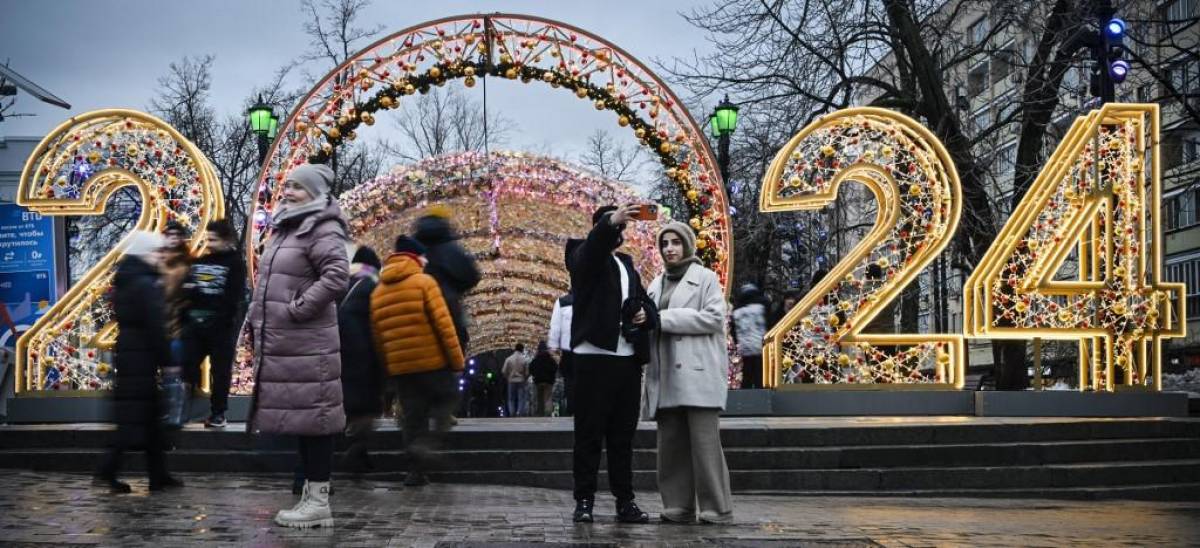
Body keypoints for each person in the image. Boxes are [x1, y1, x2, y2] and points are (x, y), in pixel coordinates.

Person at [248, 163, 349, 529]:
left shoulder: (321, 227)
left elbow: (337, 276)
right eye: (287, 186)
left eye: (298, 188)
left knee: (317, 423)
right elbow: (270, 283)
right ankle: (311, 495)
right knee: (307, 423)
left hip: (310, 344)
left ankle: (319, 501)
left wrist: (299, 308)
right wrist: (254, 317)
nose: (288, 192)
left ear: (316, 193)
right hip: (291, 343)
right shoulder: (286, 229)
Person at [567, 204, 655, 524]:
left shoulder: (626, 264)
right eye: (615, 226)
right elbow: (592, 250)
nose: (619, 233)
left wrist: (647, 314)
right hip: (593, 357)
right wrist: (610, 221)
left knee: (622, 437)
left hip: (626, 359)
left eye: (622, 228)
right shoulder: (581, 254)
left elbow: (647, 302)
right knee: (589, 434)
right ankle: (585, 500)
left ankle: (624, 501)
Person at [643, 221, 734, 524]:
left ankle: (716, 508)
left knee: (705, 447)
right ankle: (677, 506)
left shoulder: (705, 278)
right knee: (670, 448)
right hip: (665, 372)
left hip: (697, 372)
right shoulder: (655, 284)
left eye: (676, 242)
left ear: (687, 246)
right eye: (665, 243)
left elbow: (712, 319)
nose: (670, 248)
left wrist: (661, 318)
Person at [370, 235, 464, 487]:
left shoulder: (378, 291)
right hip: (431, 362)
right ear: (414, 257)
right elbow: (444, 326)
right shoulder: (424, 283)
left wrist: (388, 372)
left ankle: (415, 472)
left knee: (412, 417)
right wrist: (456, 362)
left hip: (400, 368)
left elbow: (378, 338)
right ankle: (427, 445)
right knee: (448, 398)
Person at [94, 231, 183, 493]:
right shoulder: (145, 283)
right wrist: (168, 359)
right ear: (146, 253)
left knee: (148, 420)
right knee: (134, 421)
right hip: (141, 358)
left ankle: (159, 475)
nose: (161, 257)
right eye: (157, 252)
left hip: (132, 354)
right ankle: (108, 470)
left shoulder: (128, 278)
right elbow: (156, 325)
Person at [179, 219, 247, 428]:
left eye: (213, 239)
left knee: (220, 371)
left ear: (226, 240)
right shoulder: (199, 262)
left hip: (220, 328)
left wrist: (222, 318)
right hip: (196, 327)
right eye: (207, 238)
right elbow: (188, 291)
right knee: (186, 368)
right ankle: (180, 411)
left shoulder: (235, 263)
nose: (208, 243)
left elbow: (233, 296)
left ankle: (218, 413)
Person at [338, 245, 384, 473]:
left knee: (348, 402)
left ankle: (357, 451)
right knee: (366, 407)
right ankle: (357, 449)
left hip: (337, 351)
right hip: (364, 353)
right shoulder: (373, 285)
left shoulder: (340, 283)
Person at [413, 206, 481, 352]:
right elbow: (472, 276)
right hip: (447, 310)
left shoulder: (412, 248)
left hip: (416, 315)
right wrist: (456, 288)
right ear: (444, 222)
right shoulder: (451, 248)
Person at [547, 240, 581, 416]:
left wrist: (553, 346)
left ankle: (574, 409)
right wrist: (553, 346)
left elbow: (555, 327)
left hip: (569, 349)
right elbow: (555, 327)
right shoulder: (563, 302)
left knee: (572, 382)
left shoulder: (563, 302)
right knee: (576, 382)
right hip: (577, 349)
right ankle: (577, 409)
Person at [161, 221, 192, 369]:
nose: (173, 238)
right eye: (169, 234)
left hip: (178, 324)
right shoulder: (156, 259)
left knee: (175, 370)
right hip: (158, 322)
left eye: (177, 235)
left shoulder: (187, 262)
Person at [732, 284, 769, 389]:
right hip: (760, 346)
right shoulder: (761, 307)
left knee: (746, 375)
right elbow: (768, 323)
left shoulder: (737, 312)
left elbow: (734, 331)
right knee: (760, 375)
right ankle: (761, 394)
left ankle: (745, 395)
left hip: (745, 348)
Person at [529, 340, 558, 416]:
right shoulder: (550, 359)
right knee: (548, 398)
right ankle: (548, 412)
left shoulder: (535, 360)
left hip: (538, 381)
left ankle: (540, 413)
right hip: (548, 381)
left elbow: (531, 368)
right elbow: (555, 368)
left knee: (539, 399)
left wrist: (535, 375)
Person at [502, 344, 529, 417]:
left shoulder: (509, 359)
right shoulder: (524, 359)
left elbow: (504, 371)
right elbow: (527, 372)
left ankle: (512, 413)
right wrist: (525, 379)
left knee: (511, 398)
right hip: (521, 380)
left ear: (515, 349)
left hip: (511, 381)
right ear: (522, 349)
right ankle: (519, 413)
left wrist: (507, 377)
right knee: (521, 398)